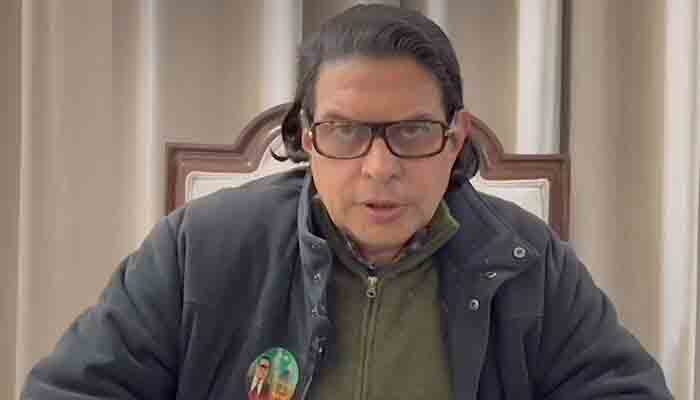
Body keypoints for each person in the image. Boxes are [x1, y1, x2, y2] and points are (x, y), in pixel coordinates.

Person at [22, 4, 672, 400]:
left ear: (455, 139)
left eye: (413, 131)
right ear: (308, 139)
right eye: (345, 131)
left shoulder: (527, 261)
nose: (379, 167)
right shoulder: (200, 248)